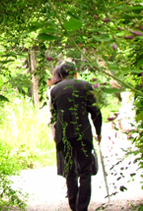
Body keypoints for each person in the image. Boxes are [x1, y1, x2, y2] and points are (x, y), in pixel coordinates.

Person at [49, 61, 102, 211]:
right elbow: (95, 111)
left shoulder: (55, 90)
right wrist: (98, 131)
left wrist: (56, 136)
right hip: (82, 134)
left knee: (70, 170)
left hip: (63, 135)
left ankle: (73, 205)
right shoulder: (85, 86)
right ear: (75, 72)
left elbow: (54, 116)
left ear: (61, 74)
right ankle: (82, 207)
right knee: (85, 171)